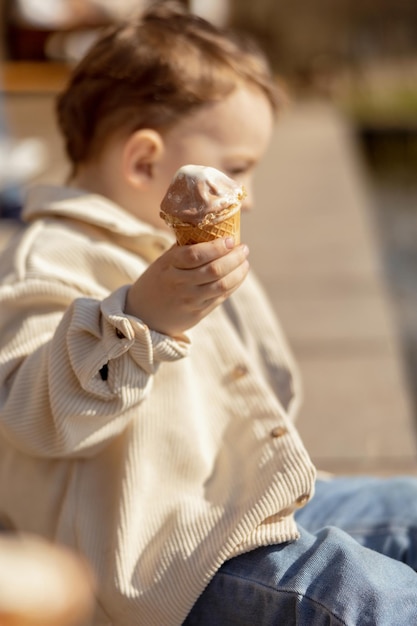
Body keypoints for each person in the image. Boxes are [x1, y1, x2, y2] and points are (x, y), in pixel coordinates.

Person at [0, 3, 417, 625]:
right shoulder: (50, 258)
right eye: (240, 168)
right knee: (361, 595)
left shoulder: (160, 244)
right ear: (145, 161)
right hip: (168, 559)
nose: (252, 194)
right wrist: (143, 317)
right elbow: (29, 413)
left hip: (242, 502)